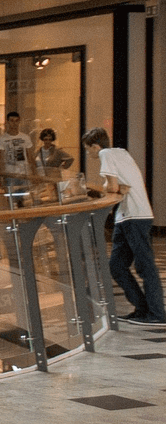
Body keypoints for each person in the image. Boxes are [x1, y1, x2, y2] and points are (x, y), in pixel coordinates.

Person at [83, 128, 164, 326]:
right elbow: (118, 187)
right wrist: (119, 187)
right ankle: (142, 308)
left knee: (145, 266)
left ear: (95, 146)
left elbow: (111, 187)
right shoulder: (122, 153)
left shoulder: (106, 153)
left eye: (88, 149)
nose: (88, 154)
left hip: (134, 216)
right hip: (125, 217)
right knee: (117, 266)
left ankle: (157, 314)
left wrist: (99, 187)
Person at [0, 111, 33, 193]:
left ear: (19, 122)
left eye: (16, 121)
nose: (14, 123)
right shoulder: (2, 138)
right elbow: (1, 159)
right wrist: (1, 177)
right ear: (8, 122)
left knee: (26, 199)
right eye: (12, 121)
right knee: (11, 199)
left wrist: (33, 173)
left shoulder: (25, 137)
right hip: (10, 174)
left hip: (24, 174)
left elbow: (30, 156)